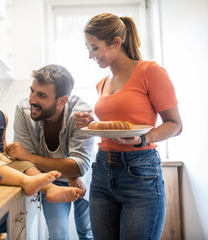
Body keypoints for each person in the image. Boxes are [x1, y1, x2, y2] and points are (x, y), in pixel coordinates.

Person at [74, 13, 183, 240]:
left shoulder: (150, 71)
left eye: (94, 48)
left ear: (116, 42)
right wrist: (92, 124)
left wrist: (142, 139)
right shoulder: (102, 83)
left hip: (140, 172)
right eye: (87, 48)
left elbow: (175, 125)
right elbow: (117, 124)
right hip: (102, 170)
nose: (90, 55)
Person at [0, 63, 83, 203]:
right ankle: (27, 182)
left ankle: (51, 189)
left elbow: (2, 140)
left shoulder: (2, 116)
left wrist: (9, 158)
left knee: (26, 165)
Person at [6, 64, 95, 240]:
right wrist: (69, 169)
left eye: (41, 95)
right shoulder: (24, 110)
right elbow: (23, 162)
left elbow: (79, 165)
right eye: (32, 91)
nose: (32, 99)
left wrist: (74, 173)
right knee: (57, 234)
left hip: (85, 178)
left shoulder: (81, 114)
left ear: (62, 100)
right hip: (50, 180)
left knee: (87, 231)